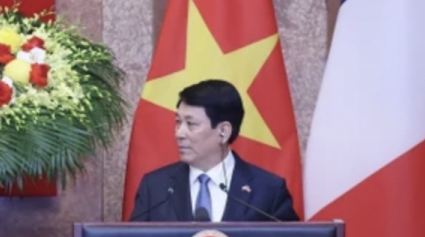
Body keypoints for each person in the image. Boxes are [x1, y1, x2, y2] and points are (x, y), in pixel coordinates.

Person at [128, 79, 299, 223]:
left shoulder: (268, 190)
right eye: (178, 122)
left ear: (223, 131)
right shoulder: (155, 188)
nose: (179, 133)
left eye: (191, 124)